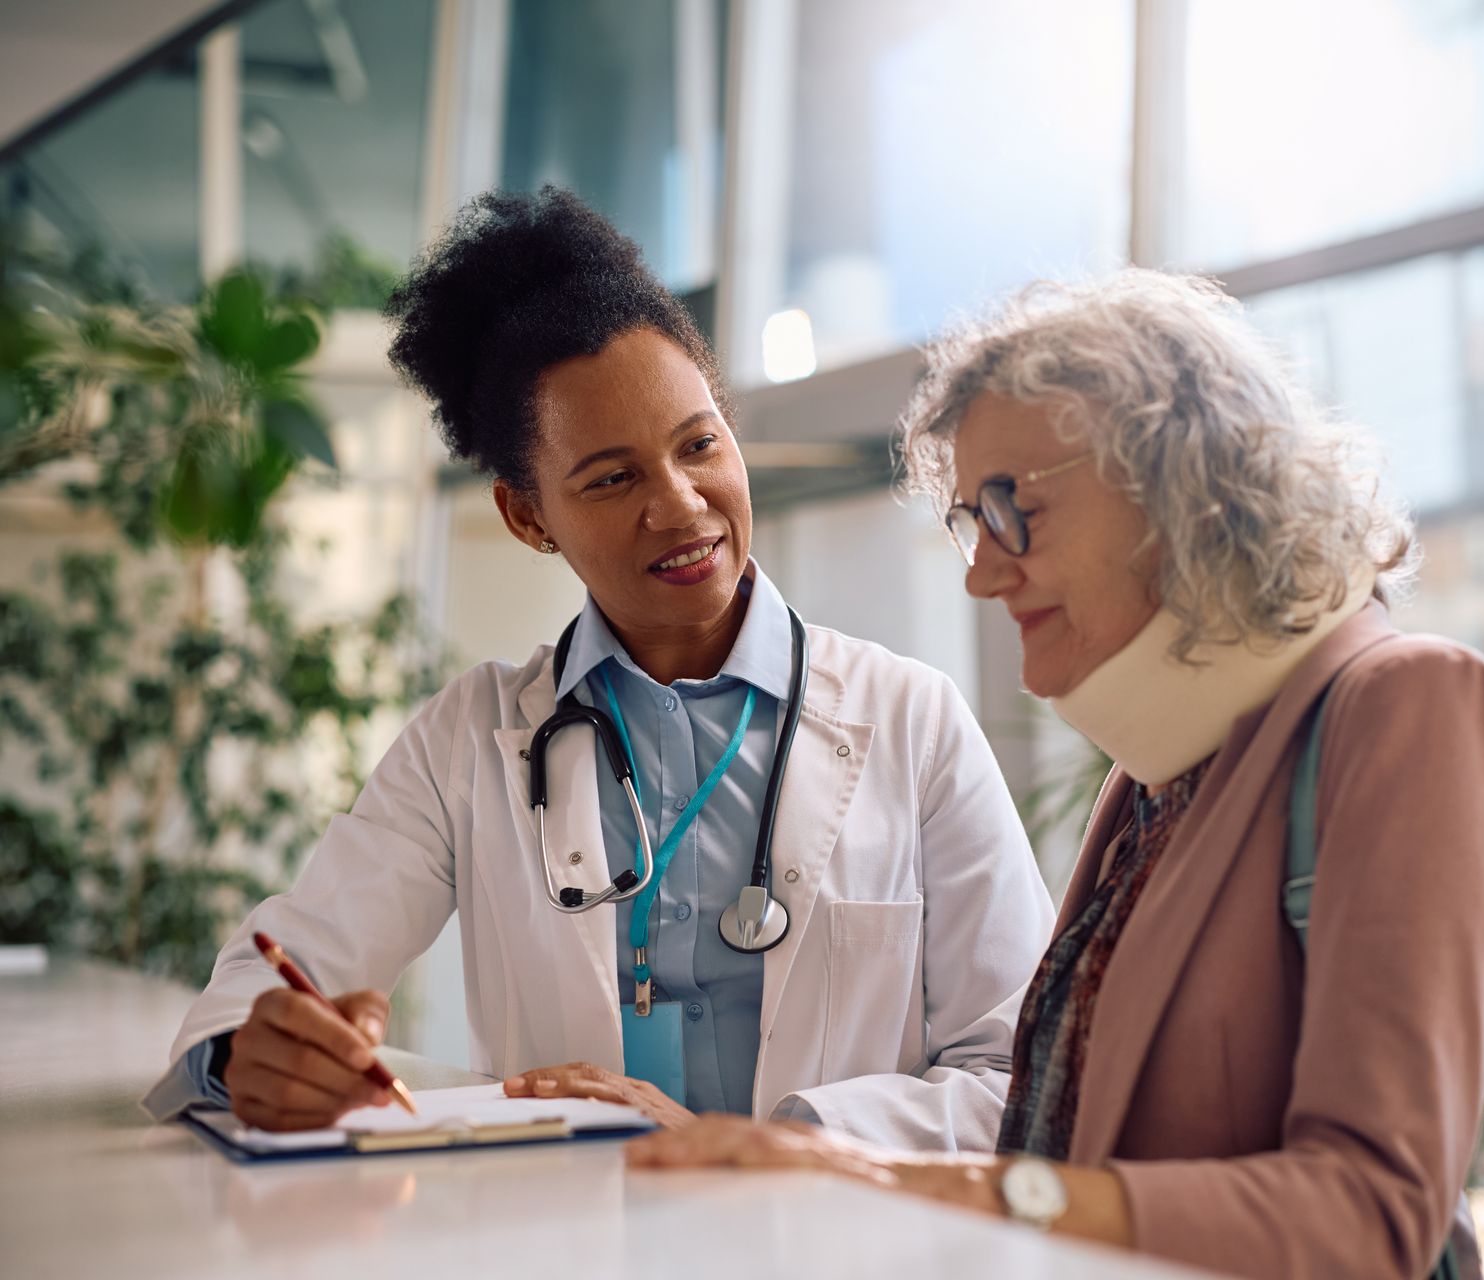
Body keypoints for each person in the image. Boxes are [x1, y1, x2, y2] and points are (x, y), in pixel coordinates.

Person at [613, 270, 1484, 1280]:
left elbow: (1371, 1215)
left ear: (1180, 479)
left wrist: (911, 1180)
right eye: (973, 518)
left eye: (1013, 506)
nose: (981, 571)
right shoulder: (1160, 767)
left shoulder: (1408, 704)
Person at [141, 187, 1055, 1149]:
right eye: (612, 478)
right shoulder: (469, 741)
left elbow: (1021, 1074)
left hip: (834, 1240)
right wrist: (257, 1053)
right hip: (573, 1235)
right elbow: (281, 965)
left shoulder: (913, 720)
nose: (680, 506)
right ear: (527, 516)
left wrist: (781, 1142)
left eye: (700, 445)